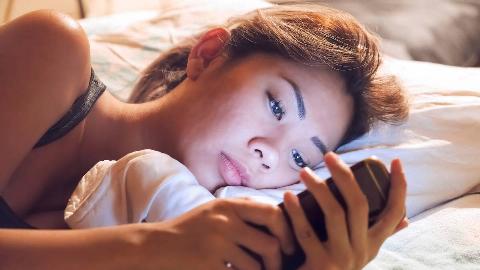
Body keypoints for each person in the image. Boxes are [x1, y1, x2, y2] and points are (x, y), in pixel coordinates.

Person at [0, 3, 409, 269]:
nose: (269, 155)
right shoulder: (52, 50)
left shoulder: (198, 249)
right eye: (278, 106)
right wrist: (148, 247)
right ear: (208, 54)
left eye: (300, 159)